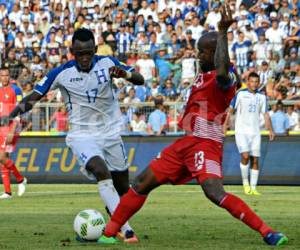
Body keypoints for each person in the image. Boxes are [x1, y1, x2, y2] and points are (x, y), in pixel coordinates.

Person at [98, 6, 288, 246]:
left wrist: (222, 33)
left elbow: (222, 73)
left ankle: (268, 232)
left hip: (207, 143)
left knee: (214, 193)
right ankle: (108, 234)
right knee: (141, 182)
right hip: (186, 143)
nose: (198, 56)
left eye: (202, 52)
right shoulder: (204, 73)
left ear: (214, 53)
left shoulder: (225, 78)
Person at [6, 28, 144, 242]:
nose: (85, 57)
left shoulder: (107, 63)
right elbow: (34, 96)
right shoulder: (62, 73)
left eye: (89, 52)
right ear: (72, 52)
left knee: (123, 187)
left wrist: (124, 74)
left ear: (95, 49)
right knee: (101, 170)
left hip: (110, 133)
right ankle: (125, 230)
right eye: (80, 54)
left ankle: (114, 215)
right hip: (81, 135)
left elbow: (140, 79)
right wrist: (9, 116)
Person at [223, 72, 275, 195]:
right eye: (252, 81)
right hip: (241, 131)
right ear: (248, 81)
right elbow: (230, 111)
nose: (254, 84)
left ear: (259, 83)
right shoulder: (240, 94)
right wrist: (225, 124)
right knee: (245, 156)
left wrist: (270, 129)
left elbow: (266, 114)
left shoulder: (262, 97)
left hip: (255, 132)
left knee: (255, 160)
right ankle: (245, 183)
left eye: (256, 82)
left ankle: (254, 188)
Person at [0, 68, 27, 199]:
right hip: (1, 127)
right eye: (2, 75)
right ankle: (7, 191)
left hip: (11, 126)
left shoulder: (15, 90)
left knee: (2, 157)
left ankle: (21, 179)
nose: (4, 78)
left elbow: (20, 109)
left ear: (9, 77)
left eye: (6, 75)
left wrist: (13, 129)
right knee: (2, 160)